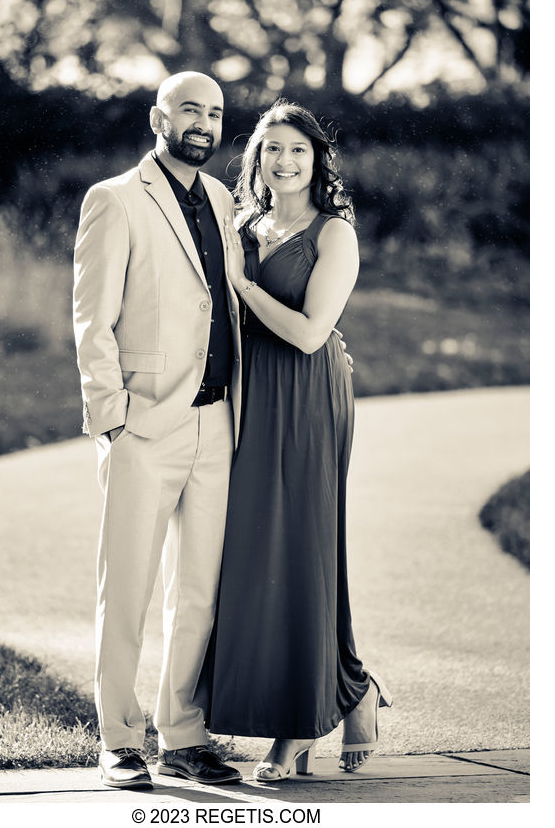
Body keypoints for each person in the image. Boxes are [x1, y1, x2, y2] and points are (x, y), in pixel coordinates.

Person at [197, 100, 392, 781]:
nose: (282, 161)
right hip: (248, 402)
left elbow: (311, 333)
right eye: (270, 149)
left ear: (316, 161)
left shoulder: (332, 233)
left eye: (296, 151)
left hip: (306, 398)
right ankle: (351, 687)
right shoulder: (243, 224)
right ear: (254, 160)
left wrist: (242, 288)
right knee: (255, 557)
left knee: (302, 548)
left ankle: (297, 727)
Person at [72, 71, 244, 790]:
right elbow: (91, 319)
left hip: (216, 422)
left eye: (214, 112)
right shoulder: (114, 199)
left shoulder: (222, 198)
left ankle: (183, 734)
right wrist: (112, 418)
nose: (203, 123)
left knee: (199, 591)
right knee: (130, 588)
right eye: (189, 110)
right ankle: (117, 739)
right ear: (157, 117)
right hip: (144, 424)